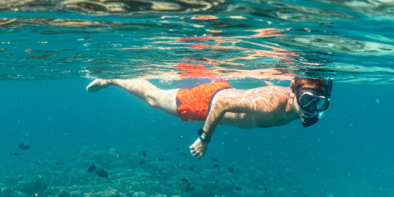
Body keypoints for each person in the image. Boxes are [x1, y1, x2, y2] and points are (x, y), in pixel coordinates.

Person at [86, 76, 332, 158]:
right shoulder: (269, 103)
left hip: (225, 96)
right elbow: (222, 102)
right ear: (293, 93)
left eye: (319, 103)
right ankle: (111, 80)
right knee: (154, 98)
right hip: (208, 101)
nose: (311, 108)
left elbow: (312, 109)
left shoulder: (305, 108)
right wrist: (204, 138)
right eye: (306, 101)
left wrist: (313, 114)